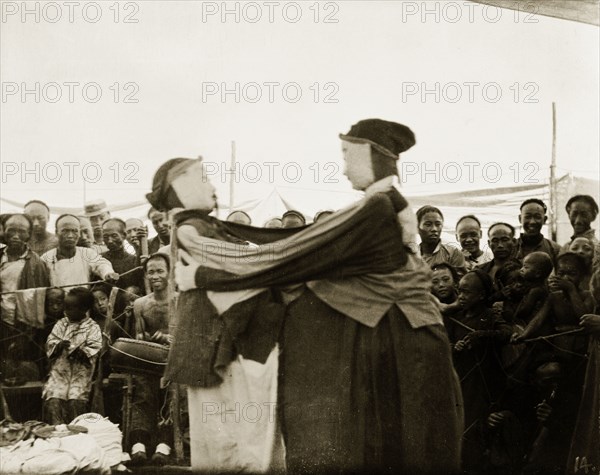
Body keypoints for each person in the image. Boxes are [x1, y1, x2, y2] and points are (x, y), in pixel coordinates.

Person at [163, 118, 463, 473]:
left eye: (347, 154)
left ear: (369, 155)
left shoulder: (376, 207)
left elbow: (293, 254)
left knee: (406, 433)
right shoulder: (385, 203)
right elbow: (304, 245)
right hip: (400, 330)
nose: (343, 166)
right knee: (401, 433)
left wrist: (201, 274)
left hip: (401, 333)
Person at [445, 270, 511, 472]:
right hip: (459, 381)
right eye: (459, 292)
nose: (461, 297)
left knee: (475, 432)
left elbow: (507, 333)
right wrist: (453, 346)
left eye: (466, 292)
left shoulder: (490, 316)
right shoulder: (454, 317)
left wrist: (482, 335)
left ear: (481, 295)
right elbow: (443, 342)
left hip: (481, 386)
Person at [129, 253, 174, 466]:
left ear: (169, 273)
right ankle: (139, 443)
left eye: (160, 271)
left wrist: (167, 338)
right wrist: (144, 338)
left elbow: (190, 336)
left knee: (173, 393)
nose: (155, 276)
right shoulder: (140, 304)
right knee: (142, 390)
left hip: (176, 360)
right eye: (151, 272)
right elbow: (138, 337)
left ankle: (164, 444)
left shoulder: (181, 301)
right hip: (149, 359)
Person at [42, 287, 102, 425]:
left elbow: (94, 348)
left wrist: (81, 352)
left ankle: (76, 434)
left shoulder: (93, 327)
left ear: (84, 309)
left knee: (76, 401)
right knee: (54, 398)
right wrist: (59, 345)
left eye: (71, 308)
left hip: (80, 374)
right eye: (66, 307)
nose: (66, 311)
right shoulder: (61, 324)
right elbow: (50, 343)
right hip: (60, 372)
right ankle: (57, 431)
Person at [41, 214, 119, 287]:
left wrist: (108, 273)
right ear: (56, 233)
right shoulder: (45, 259)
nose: (70, 235)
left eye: (75, 231)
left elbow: (101, 264)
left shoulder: (87, 253)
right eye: (65, 231)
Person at [417, 205, 467, 277]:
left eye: (438, 224)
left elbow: (459, 283)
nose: (434, 229)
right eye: (428, 224)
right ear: (417, 228)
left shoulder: (453, 253)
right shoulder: (410, 256)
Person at [101, 218, 144, 292]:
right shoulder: (100, 260)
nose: (110, 241)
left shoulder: (134, 260)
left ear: (124, 235)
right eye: (105, 237)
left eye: (114, 236)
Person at [515, 199, 561, 264]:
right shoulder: (511, 247)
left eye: (537, 217)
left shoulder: (554, 249)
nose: (532, 222)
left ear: (544, 220)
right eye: (527, 217)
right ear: (520, 219)